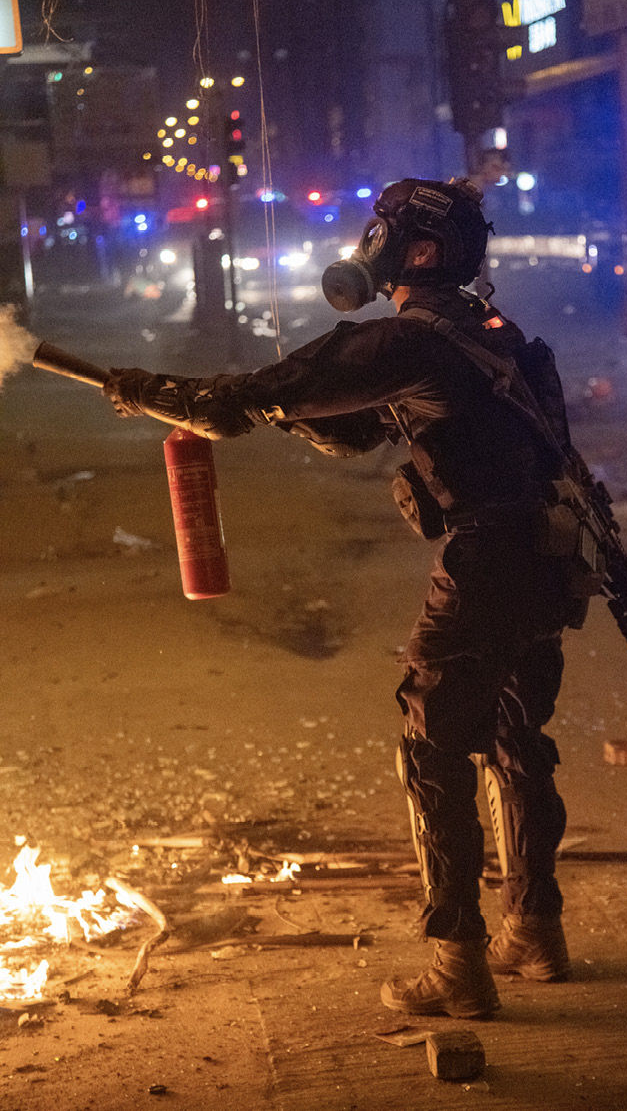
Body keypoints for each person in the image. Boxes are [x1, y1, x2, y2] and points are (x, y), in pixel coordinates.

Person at [101, 177, 595, 1020]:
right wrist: (298, 409)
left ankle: (458, 966)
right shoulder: (486, 333)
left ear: (423, 251)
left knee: (433, 747)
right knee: (517, 739)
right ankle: (534, 935)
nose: (368, 246)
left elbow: (233, 405)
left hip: (490, 562)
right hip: (549, 560)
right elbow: (359, 428)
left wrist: (145, 391)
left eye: (382, 233)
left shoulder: (414, 338)